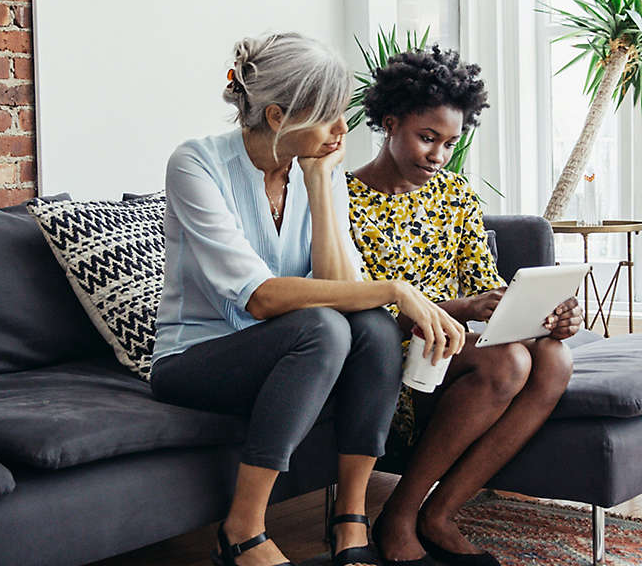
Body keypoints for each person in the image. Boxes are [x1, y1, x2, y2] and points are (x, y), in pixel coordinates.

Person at [150, 33, 466, 566]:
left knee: (373, 327)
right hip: (196, 360)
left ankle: (351, 521)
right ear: (278, 117)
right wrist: (396, 288)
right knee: (323, 326)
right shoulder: (195, 165)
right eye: (330, 117)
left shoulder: (317, 165)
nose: (343, 131)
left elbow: (347, 292)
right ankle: (243, 530)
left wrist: (320, 184)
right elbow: (262, 299)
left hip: (290, 352)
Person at [347, 46, 583, 566]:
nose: (437, 155)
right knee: (508, 360)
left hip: (453, 358)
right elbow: (356, 314)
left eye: (449, 143)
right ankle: (400, 517)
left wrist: (544, 319)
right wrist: (466, 306)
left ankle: (438, 514)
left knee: (552, 358)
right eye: (426, 138)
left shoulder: (455, 195)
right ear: (390, 123)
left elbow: (488, 292)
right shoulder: (343, 202)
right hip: (387, 366)